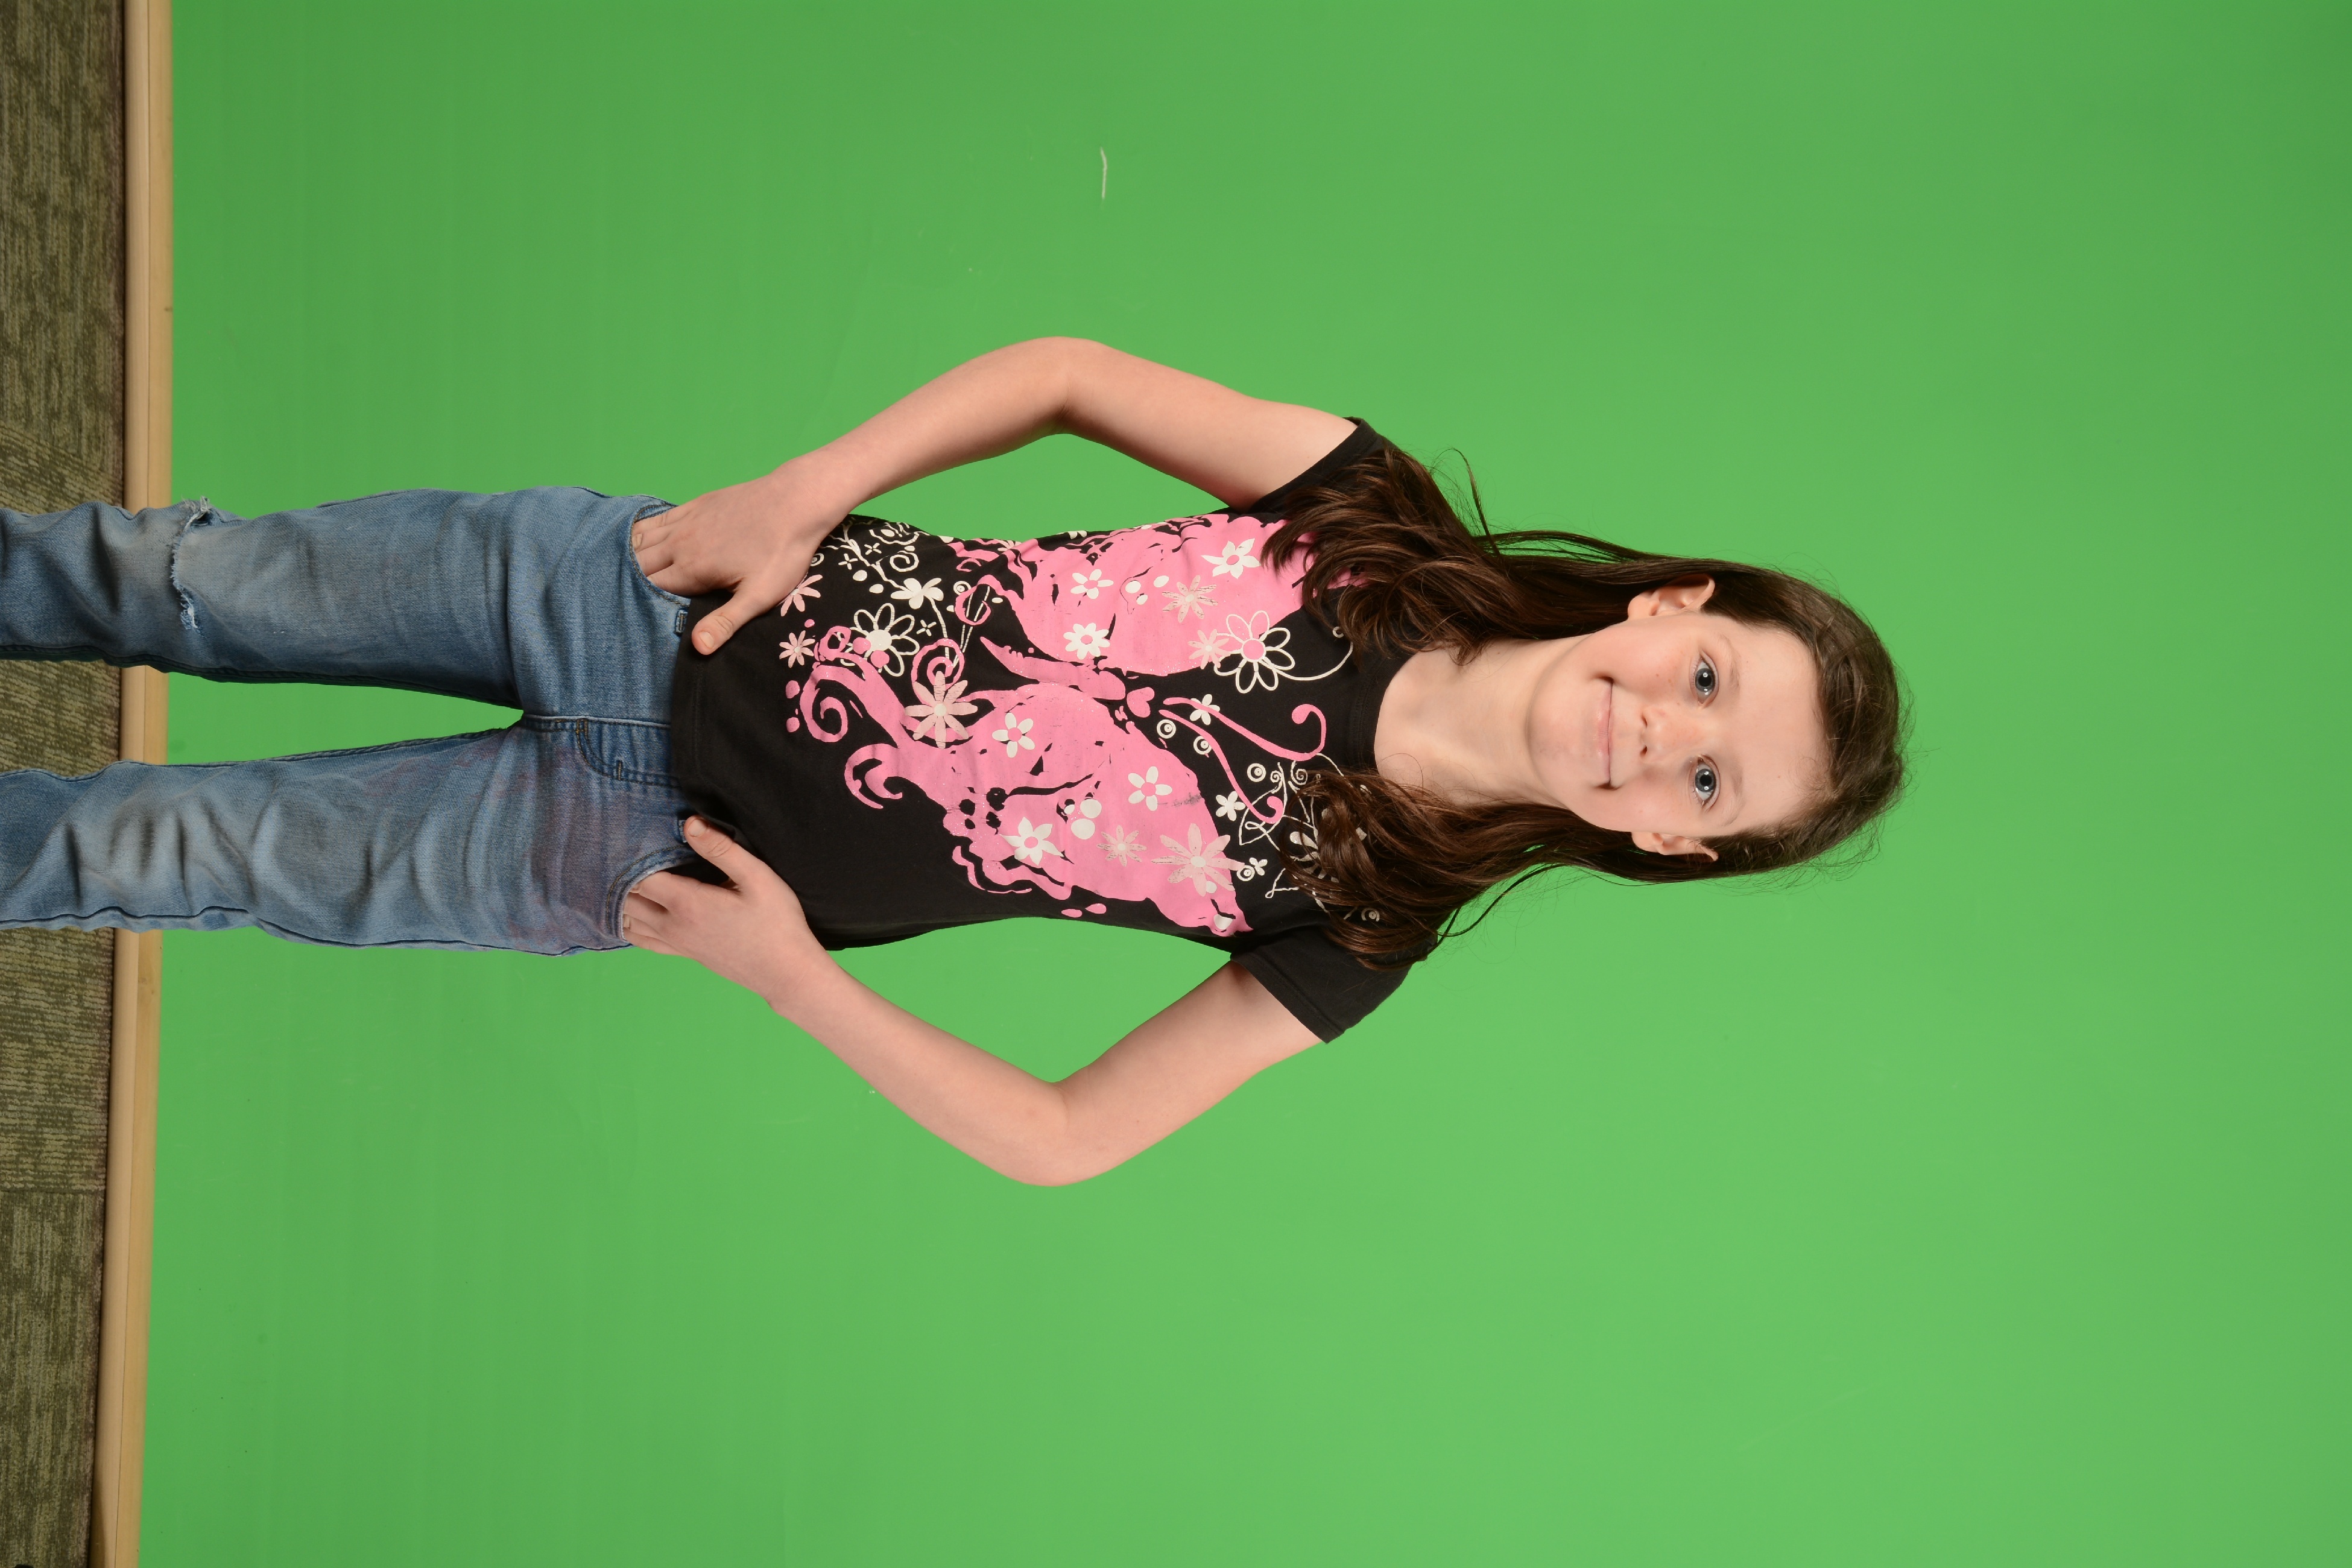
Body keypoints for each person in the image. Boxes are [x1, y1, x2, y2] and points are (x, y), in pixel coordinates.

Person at [0, 339, 1905, 1183]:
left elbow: (1065, 1142)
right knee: (170, 578)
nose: (1663, 736)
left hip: (631, 848)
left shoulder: (1363, 926)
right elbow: (1065, 371)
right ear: (1674, 605)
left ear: (1671, 849)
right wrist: (806, 486)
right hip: (640, 590)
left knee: (146, 853)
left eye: (1709, 785)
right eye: (1710, 682)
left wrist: (794, 979)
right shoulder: (1360, 506)